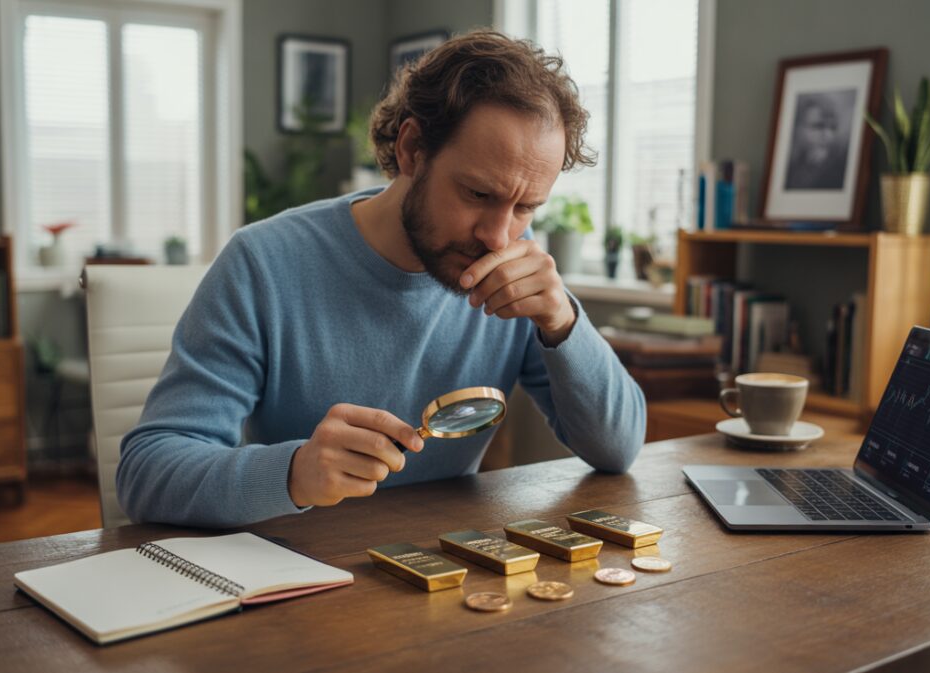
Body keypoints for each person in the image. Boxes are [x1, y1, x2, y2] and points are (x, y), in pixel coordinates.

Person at [117, 30, 647, 528]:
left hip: (448, 575)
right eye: (478, 195)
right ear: (412, 149)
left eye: (526, 207)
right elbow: (146, 474)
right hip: (301, 581)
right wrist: (294, 472)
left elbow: (619, 449)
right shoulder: (262, 263)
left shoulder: (516, 272)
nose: (498, 236)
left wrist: (563, 322)